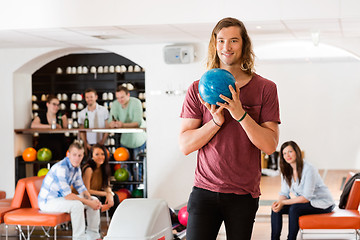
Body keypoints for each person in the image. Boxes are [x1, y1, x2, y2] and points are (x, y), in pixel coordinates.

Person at [179, 17, 281, 240]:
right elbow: (185, 145)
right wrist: (215, 123)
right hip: (204, 191)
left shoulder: (265, 88)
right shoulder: (197, 89)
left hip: (243, 194)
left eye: (234, 40)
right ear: (214, 45)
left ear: (244, 45)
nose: (227, 47)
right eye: (221, 40)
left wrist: (240, 114)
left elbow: (270, 145)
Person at [38, 142, 102, 240]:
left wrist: (91, 200)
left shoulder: (76, 168)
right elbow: (68, 196)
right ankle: (79, 238)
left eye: (80, 155)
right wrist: (89, 202)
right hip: (48, 202)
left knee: (94, 199)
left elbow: (81, 188)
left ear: (82, 156)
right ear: (68, 154)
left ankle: (93, 235)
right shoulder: (61, 168)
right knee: (77, 205)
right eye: (74, 154)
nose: (77, 158)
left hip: (61, 199)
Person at [271, 141, 335, 240]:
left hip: (322, 203)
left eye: (290, 152)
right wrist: (279, 202)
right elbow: (284, 193)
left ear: (297, 152)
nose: (287, 155)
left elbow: (306, 198)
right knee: (276, 209)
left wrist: (283, 202)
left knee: (294, 209)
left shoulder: (309, 169)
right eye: (284, 153)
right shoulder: (286, 170)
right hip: (307, 202)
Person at [108, 85, 146, 160]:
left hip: (138, 139)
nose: (120, 100)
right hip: (125, 140)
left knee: (137, 166)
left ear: (128, 95)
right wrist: (112, 124)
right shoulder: (115, 104)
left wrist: (122, 125)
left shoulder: (136, 102)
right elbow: (110, 121)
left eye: (122, 97)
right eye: (118, 98)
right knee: (124, 165)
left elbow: (137, 123)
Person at [82, 144, 120, 217]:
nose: (100, 157)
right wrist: (106, 194)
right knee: (97, 199)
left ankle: (115, 223)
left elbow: (107, 185)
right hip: (86, 195)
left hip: (97, 193)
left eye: (102, 154)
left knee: (115, 197)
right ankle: (95, 226)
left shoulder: (104, 167)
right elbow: (87, 190)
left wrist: (110, 194)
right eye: (97, 154)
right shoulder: (88, 169)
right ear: (92, 156)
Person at [31, 94, 68, 160]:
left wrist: (64, 120)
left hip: (59, 144)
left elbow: (66, 128)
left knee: (60, 146)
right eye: (54, 104)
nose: (56, 107)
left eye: (58, 105)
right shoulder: (41, 116)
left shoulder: (61, 116)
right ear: (47, 104)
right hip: (44, 144)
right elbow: (33, 125)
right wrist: (50, 126)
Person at [78, 88, 109, 155]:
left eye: (91, 97)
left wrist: (102, 142)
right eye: (87, 97)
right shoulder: (82, 113)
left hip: (102, 144)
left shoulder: (104, 110)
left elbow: (107, 127)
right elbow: (81, 131)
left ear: (96, 97)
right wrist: (86, 144)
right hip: (88, 145)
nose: (89, 99)